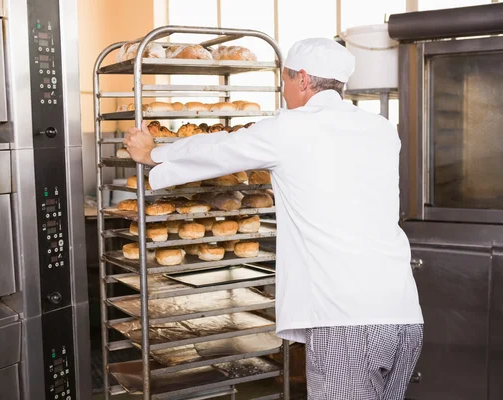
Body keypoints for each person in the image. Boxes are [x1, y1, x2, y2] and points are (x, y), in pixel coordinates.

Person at [123, 38, 424, 400]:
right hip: (402, 314)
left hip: (345, 320)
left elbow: (221, 148)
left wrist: (154, 152)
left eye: (284, 81)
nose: (283, 91)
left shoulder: (290, 129)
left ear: (302, 79)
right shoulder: (380, 130)